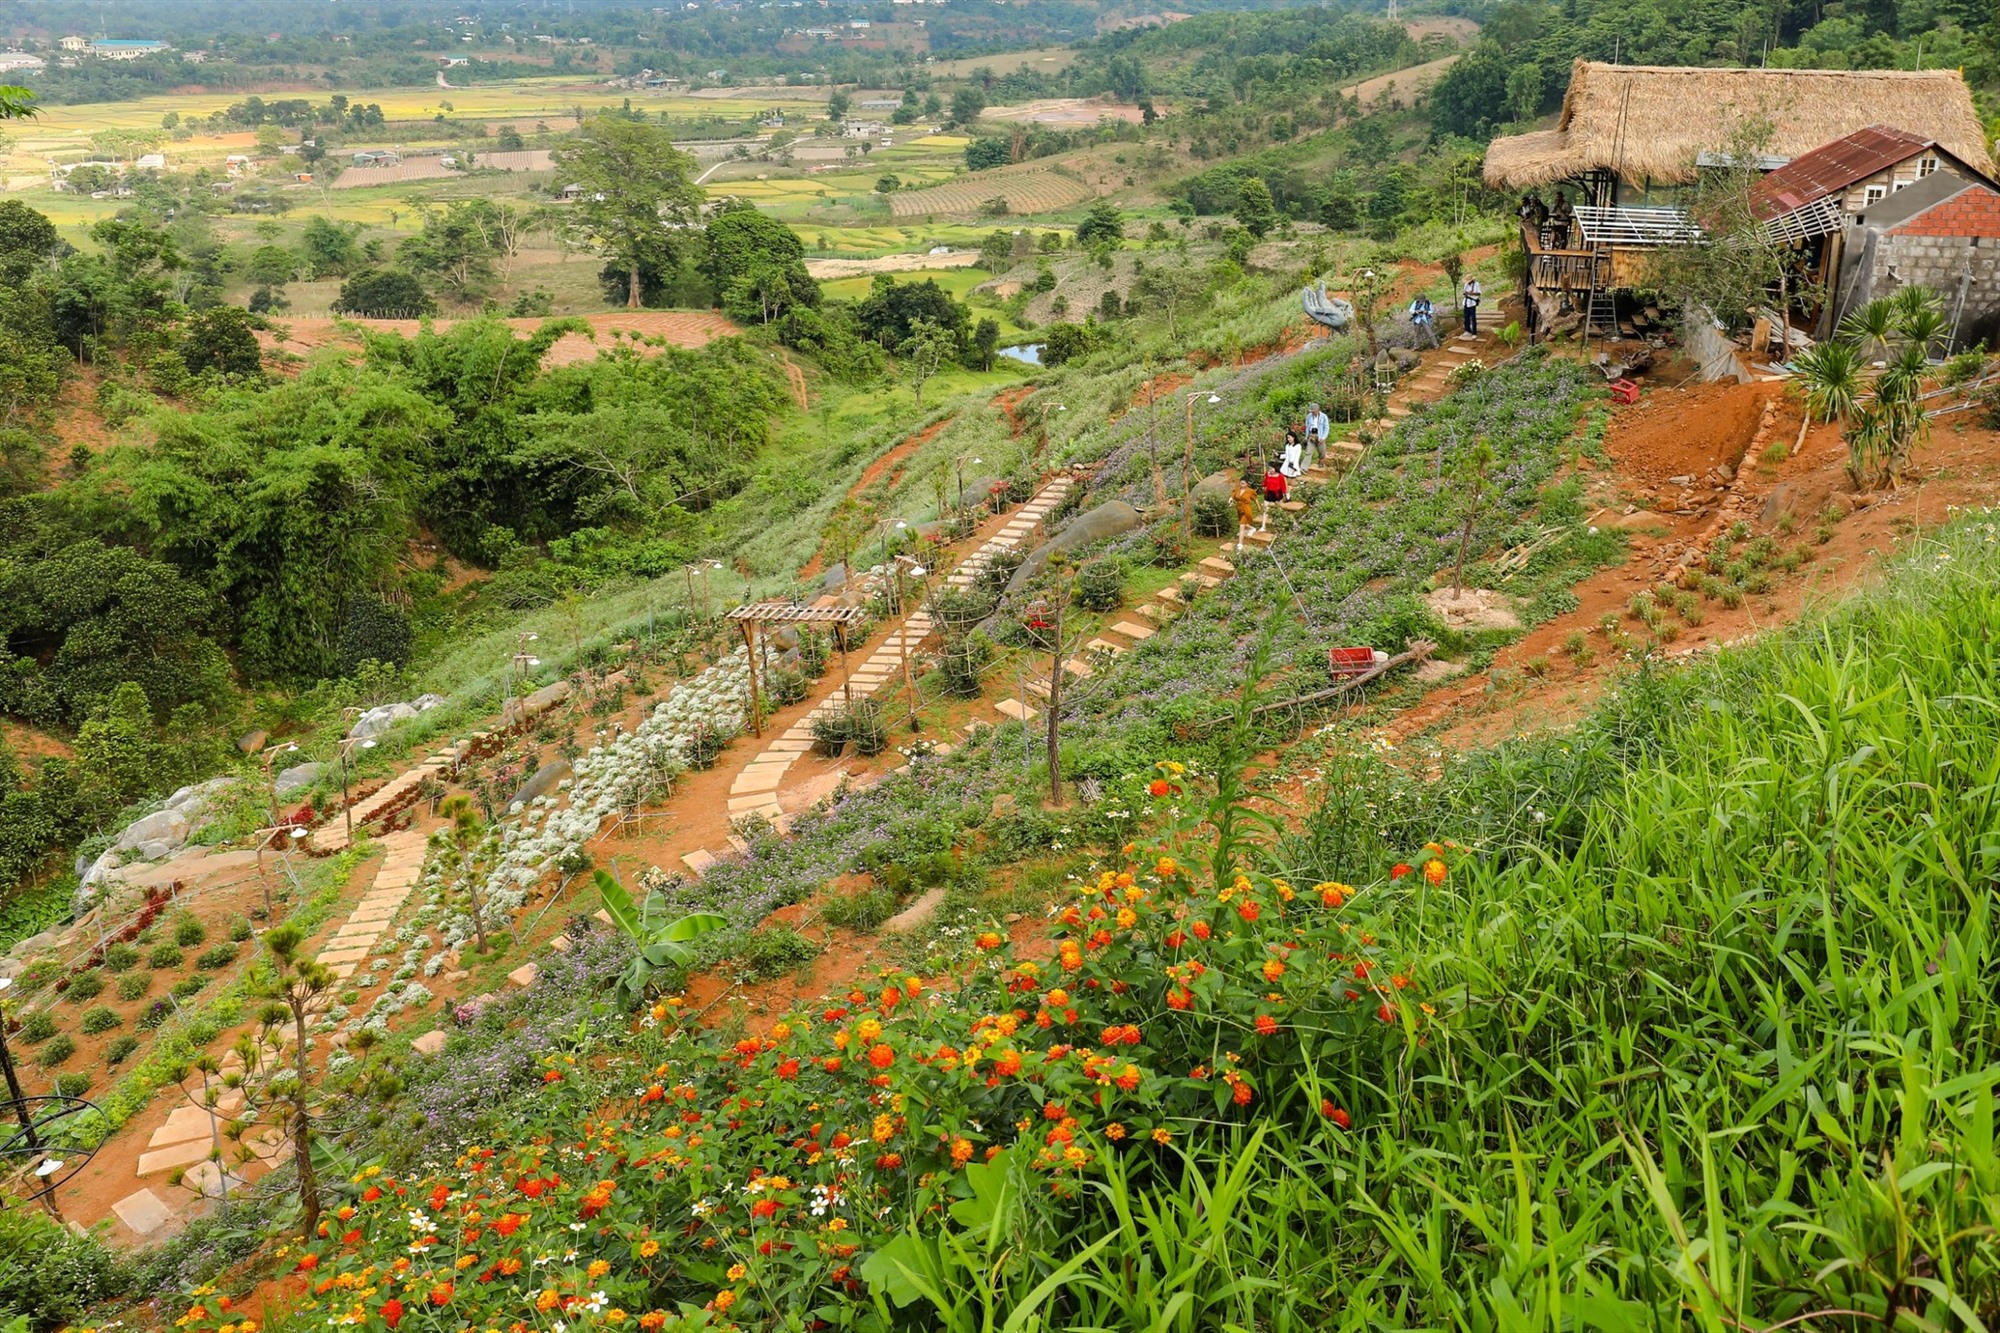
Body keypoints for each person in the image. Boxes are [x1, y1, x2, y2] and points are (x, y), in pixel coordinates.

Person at [1232, 475, 1259, 551]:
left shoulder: (1250, 491)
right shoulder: (1237, 490)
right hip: (1239, 509)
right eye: (1241, 483)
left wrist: (1259, 508)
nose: (1242, 485)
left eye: (1244, 483)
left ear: (1247, 484)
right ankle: (1252, 528)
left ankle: (1240, 544)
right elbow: (1233, 496)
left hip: (1247, 510)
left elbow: (1255, 499)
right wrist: (1230, 499)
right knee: (1243, 523)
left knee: (1241, 525)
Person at [1303, 401, 1330, 468]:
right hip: (1311, 435)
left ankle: (1321, 460)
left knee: (1322, 452)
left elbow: (1326, 428)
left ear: (1318, 410)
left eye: (1314, 411)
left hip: (1320, 436)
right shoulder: (1308, 416)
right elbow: (1307, 427)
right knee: (1308, 452)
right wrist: (1306, 437)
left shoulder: (1324, 417)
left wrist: (1323, 438)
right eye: (1311, 411)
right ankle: (1303, 468)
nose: (1312, 413)